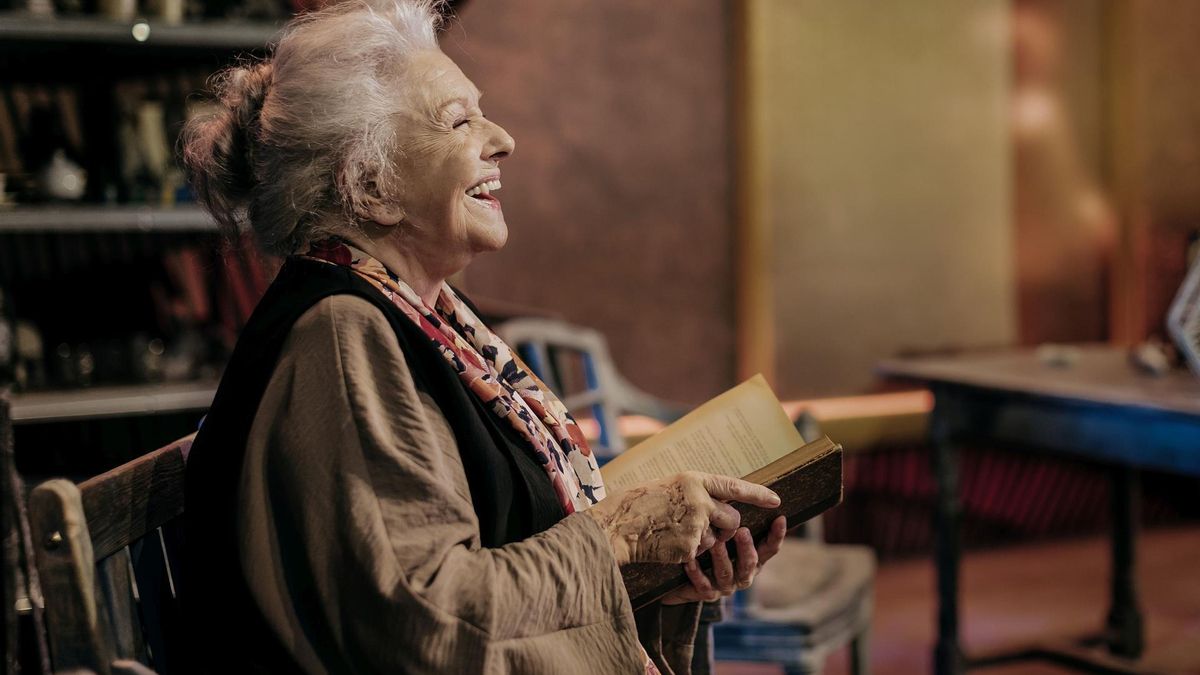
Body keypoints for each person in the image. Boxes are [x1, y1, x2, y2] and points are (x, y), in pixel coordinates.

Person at [180, 1, 787, 673]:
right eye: (460, 121)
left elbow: (502, 562)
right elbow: (425, 618)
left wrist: (655, 566)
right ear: (370, 184)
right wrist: (618, 534)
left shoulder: (419, 308)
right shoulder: (341, 337)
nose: (503, 139)